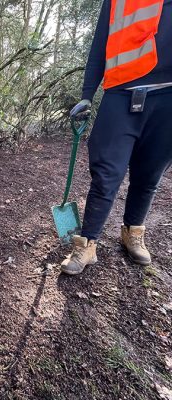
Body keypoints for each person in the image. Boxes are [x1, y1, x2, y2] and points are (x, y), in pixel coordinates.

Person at [62, 0, 172, 275]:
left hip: (168, 97)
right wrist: (87, 94)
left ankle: (132, 231)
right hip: (121, 91)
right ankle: (87, 243)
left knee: (149, 174)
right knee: (106, 172)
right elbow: (100, 42)